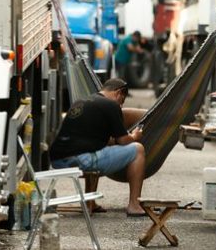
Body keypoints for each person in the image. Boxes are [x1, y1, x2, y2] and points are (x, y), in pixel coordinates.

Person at [50, 78, 147, 216]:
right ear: (118, 93)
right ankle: (134, 205)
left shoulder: (81, 101)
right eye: (122, 101)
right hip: (81, 161)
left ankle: (90, 201)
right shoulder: (111, 105)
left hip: (58, 161)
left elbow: (92, 141)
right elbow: (124, 141)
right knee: (137, 150)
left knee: (98, 148)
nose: (120, 106)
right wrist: (135, 136)